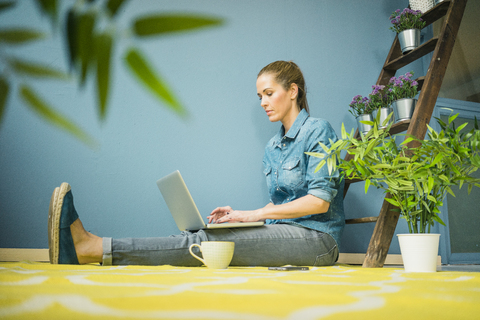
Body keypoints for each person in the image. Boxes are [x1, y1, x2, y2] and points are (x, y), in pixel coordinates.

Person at [48, 60, 345, 266]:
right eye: (259, 96)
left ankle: (93, 247)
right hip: (286, 232)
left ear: (292, 91)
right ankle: (92, 249)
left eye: (269, 93)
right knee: (197, 236)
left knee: (209, 244)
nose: (263, 102)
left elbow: (319, 203)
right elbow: (280, 209)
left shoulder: (318, 130)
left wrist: (255, 213)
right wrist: (242, 216)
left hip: (318, 241)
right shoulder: (273, 146)